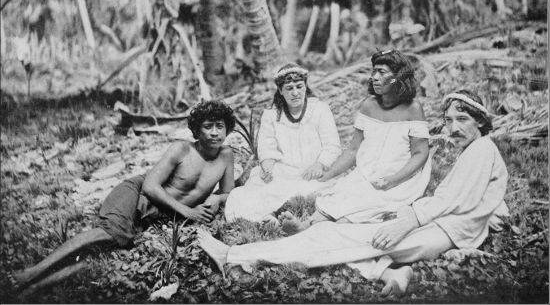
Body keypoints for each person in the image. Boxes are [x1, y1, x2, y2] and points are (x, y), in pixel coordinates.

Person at [198, 90, 509, 297]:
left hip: (438, 232)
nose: (453, 128)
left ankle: (233, 256)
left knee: (332, 238)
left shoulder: (482, 149)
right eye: (449, 120)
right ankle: (390, 273)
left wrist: (409, 219)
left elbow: (451, 199)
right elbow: (480, 196)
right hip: (442, 230)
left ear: (481, 121)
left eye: (463, 120)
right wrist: (487, 219)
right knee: (346, 240)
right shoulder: (481, 151)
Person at [11, 100, 236, 291]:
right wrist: (188, 211)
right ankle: (31, 272)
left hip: (161, 214)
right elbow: (149, 186)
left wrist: (217, 198)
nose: (215, 132)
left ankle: (31, 291)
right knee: (108, 235)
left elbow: (228, 193)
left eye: (220, 126)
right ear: (197, 130)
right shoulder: (182, 149)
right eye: (208, 126)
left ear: (227, 129)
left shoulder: (226, 156)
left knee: (106, 256)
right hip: (136, 193)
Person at [282, 49, 431, 231]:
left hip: (400, 174)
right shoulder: (369, 106)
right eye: (373, 71)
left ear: (397, 77)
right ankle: (305, 226)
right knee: (343, 193)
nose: (374, 77)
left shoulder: (413, 109)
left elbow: (420, 153)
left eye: (382, 72)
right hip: (369, 170)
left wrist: (393, 179)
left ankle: (317, 230)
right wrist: (328, 175)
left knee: (362, 207)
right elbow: (353, 150)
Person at [224, 63, 341, 223]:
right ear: (280, 91)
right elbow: (266, 147)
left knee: (307, 191)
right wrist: (267, 167)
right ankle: (265, 217)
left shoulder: (320, 109)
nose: (295, 93)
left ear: (305, 87)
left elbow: (332, 146)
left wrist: (319, 164)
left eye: (299, 86)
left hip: (311, 172)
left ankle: (280, 214)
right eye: (289, 88)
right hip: (283, 171)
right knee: (254, 188)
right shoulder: (271, 115)